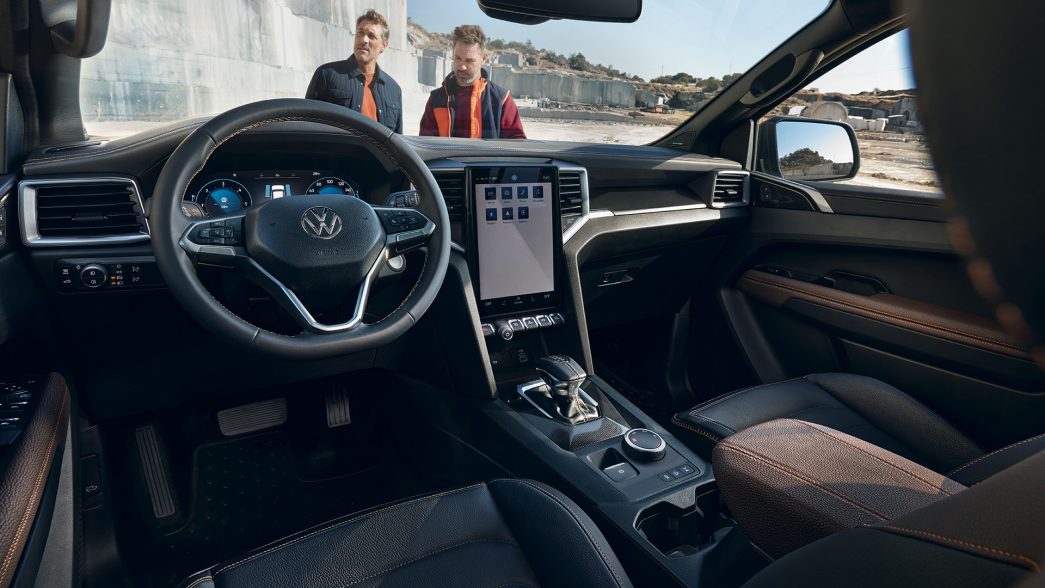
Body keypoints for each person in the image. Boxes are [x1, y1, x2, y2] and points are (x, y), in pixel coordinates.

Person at [419, 25, 526, 139]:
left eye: (469, 60)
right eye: (458, 58)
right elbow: (424, 145)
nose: (462, 67)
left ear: (483, 58)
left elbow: (516, 145)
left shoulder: (501, 99)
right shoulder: (436, 99)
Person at [306, 9, 403, 133]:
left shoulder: (394, 90)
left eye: (371, 36)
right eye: (360, 33)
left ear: (384, 45)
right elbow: (308, 128)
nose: (364, 40)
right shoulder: (327, 75)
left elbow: (398, 140)